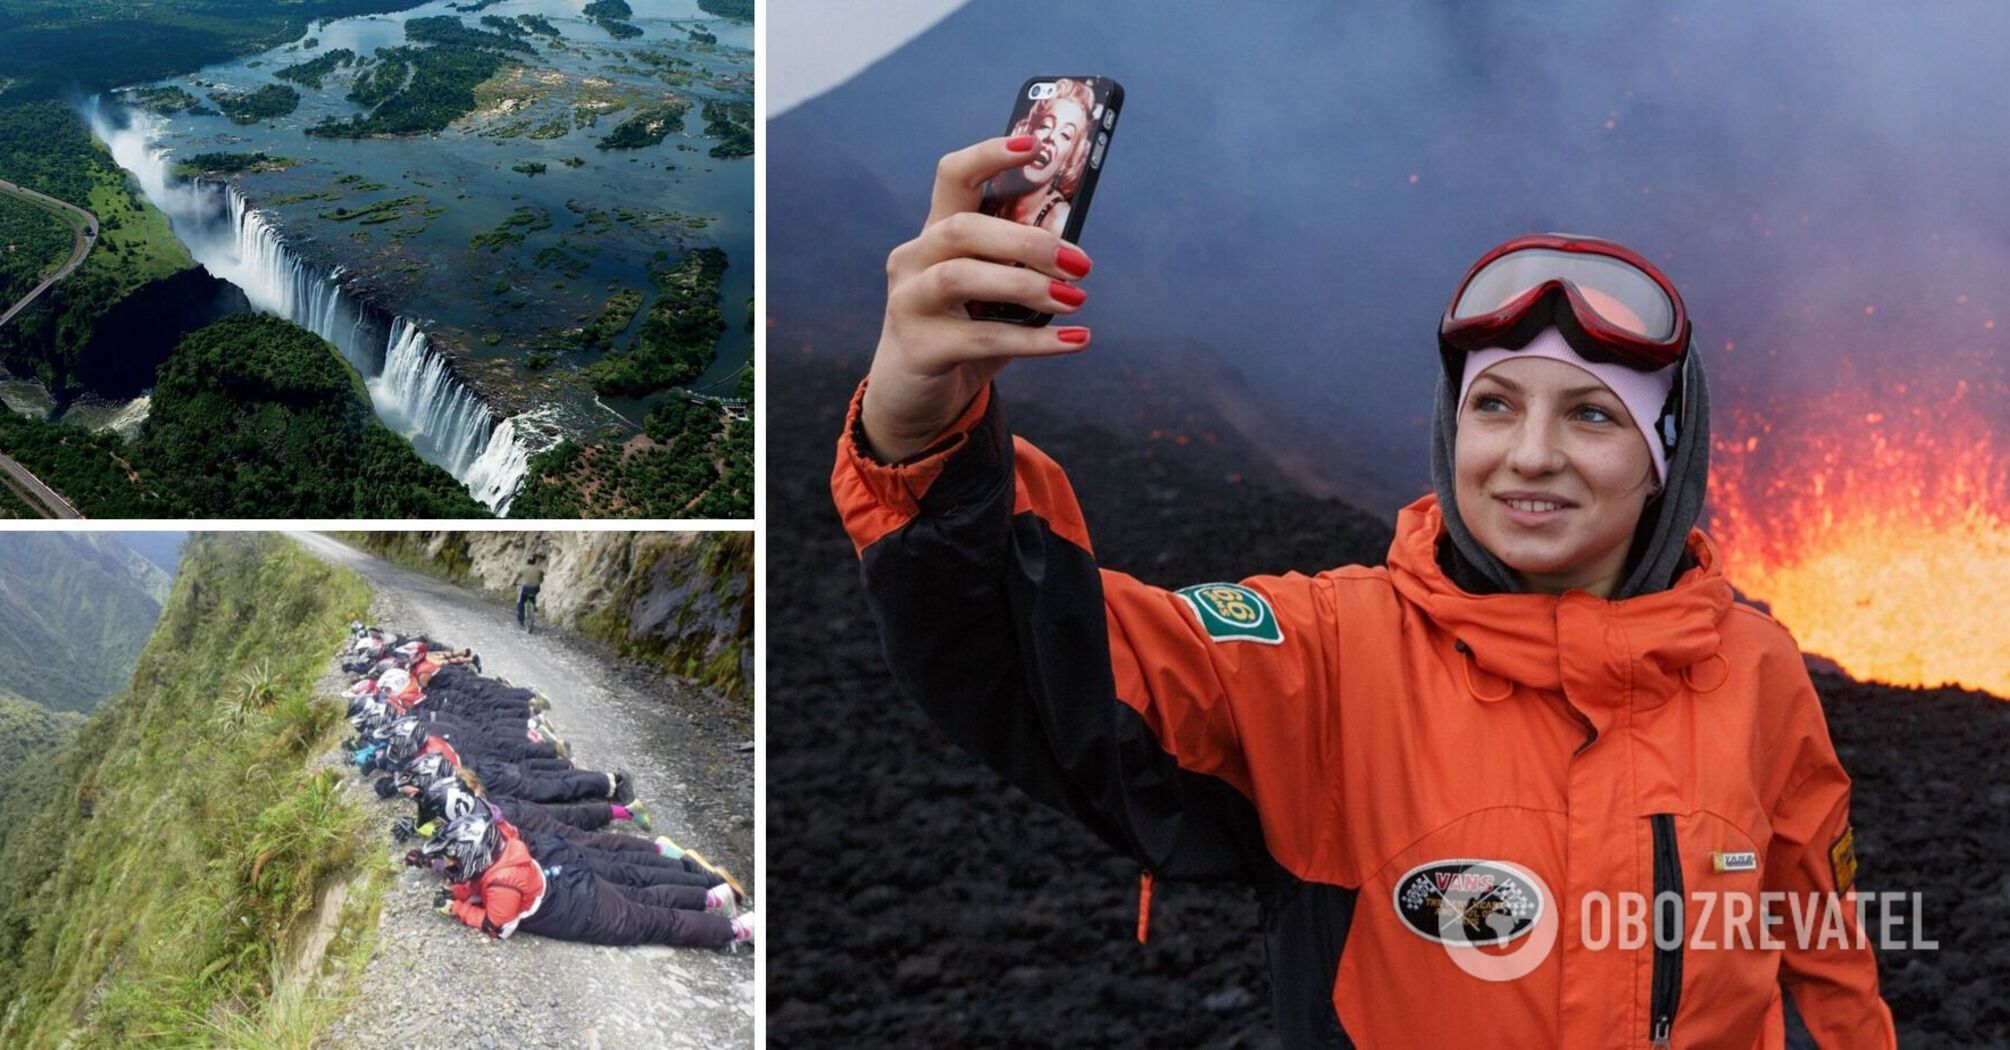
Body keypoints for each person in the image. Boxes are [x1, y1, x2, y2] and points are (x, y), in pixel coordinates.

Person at [830, 138, 1896, 1050]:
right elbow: (1044, 663)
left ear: (1668, 457)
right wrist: (921, 434)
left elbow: (1827, 976)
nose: (1529, 455)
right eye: (1494, 406)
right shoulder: (1330, 658)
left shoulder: (1754, 674)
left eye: (1592, 415)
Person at [422, 812, 754, 950]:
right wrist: (459, 891)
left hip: (589, 914)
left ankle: (738, 930)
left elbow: (498, 926)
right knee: (646, 897)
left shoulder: (502, 884)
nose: (451, 865)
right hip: (576, 886)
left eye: (454, 859)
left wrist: (458, 909)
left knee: (660, 923)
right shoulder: (505, 851)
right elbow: (476, 883)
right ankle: (713, 898)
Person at [984, 77, 1097, 235]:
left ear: (1067, 162)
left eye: (1065, 135)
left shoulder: (1059, 222)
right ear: (1028, 131)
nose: (1051, 138)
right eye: (1045, 126)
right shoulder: (996, 194)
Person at [513, 552, 545, 628]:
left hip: (525, 588)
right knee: (533, 597)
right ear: (535, 562)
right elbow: (541, 579)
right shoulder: (539, 570)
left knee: (521, 602)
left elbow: (517, 577)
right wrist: (539, 582)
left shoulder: (523, 569)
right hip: (535, 589)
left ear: (527, 561)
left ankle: (521, 618)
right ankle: (533, 607)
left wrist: (514, 583)